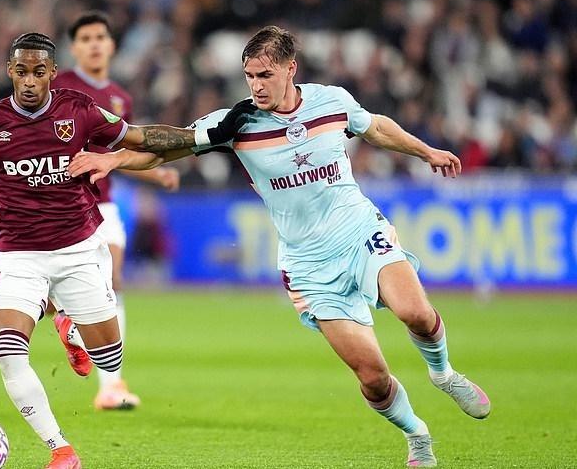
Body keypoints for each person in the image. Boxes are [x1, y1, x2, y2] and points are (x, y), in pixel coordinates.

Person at [68, 26, 491, 467]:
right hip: (308, 264)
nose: (256, 85)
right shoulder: (235, 123)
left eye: (265, 75)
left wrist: (426, 152)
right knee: (373, 377)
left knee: (416, 313)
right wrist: (114, 157)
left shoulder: (331, 101)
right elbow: (165, 146)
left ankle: (444, 374)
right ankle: (417, 434)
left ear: (291, 69)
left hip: (360, 231)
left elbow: (376, 128)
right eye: (249, 76)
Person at [0, 31, 246, 469]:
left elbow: (141, 138)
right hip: (17, 257)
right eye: (21, 71)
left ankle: (68, 325)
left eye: (38, 72)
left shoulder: (79, 110)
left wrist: (203, 136)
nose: (29, 81)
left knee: (110, 355)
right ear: (9, 71)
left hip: (79, 251)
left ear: (52, 72)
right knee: (8, 353)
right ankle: (61, 449)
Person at [49, 11, 180, 410]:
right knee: (51, 293)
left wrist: (156, 174)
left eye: (99, 37)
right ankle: (67, 320)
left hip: (103, 203)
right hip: (63, 203)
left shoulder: (120, 97)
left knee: (112, 280)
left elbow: (121, 150)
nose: (93, 44)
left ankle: (111, 385)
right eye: (85, 38)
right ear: (74, 48)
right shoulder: (58, 87)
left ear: (112, 45)